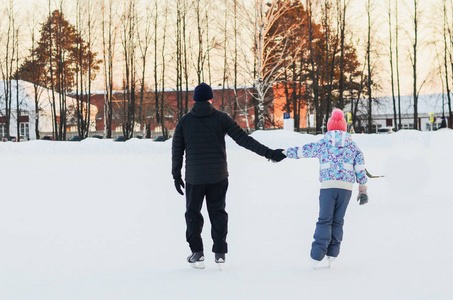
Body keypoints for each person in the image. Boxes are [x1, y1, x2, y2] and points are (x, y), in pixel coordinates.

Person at [172, 82, 286, 269]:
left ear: (194, 100)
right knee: (218, 212)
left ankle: (197, 253)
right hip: (218, 176)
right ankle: (219, 253)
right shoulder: (221, 118)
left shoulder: (184, 122)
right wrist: (270, 153)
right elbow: (244, 140)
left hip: (195, 178)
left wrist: (176, 175)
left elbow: (177, 150)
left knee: (193, 213)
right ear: (210, 99)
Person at [284, 108, 369, 269]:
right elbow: (360, 168)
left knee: (324, 220)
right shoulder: (353, 146)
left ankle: (316, 256)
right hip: (346, 189)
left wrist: (284, 153)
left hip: (328, 187)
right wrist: (362, 190)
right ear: (344, 127)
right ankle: (332, 254)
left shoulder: (323, 143)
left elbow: (304, 151)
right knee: (338, 221)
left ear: (329, 127)